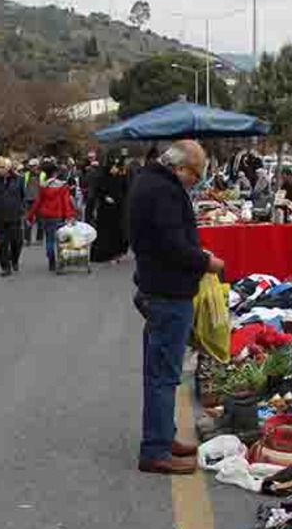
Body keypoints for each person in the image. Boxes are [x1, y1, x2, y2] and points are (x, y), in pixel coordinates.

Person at [128, 140, 225, 475]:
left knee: (161, 372)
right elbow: (172, 245)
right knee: (163, 375)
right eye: (195, 175)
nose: (195, 181)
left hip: (157, 287)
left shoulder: (150, 180)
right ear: (182, 168)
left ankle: (163, 437)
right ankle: (155, 450)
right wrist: (206, 261)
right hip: (167, 292)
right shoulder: (163, 191)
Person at [29, 163, 78, 272]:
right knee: (61, 240)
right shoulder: (63, 186)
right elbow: (66, 202)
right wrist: (70, 216)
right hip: (58, 216)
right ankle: (61, 264)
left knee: (49, 239)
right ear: (55, 173)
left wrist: (30, 216)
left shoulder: (43, 186)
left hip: (45, 216)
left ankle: (51, 261)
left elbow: (38, 202)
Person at [91, 156, 130, 263]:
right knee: (105, 233)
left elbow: (125, 190)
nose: (115, 169)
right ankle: (104, 254)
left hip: (117, 209)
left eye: (116, 167)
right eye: (113, 167)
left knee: (117, 232)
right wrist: (105, 197)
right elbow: (97, 191)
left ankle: (116, 253)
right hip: (105, 211)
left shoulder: (119, 177)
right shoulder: (102, 177)